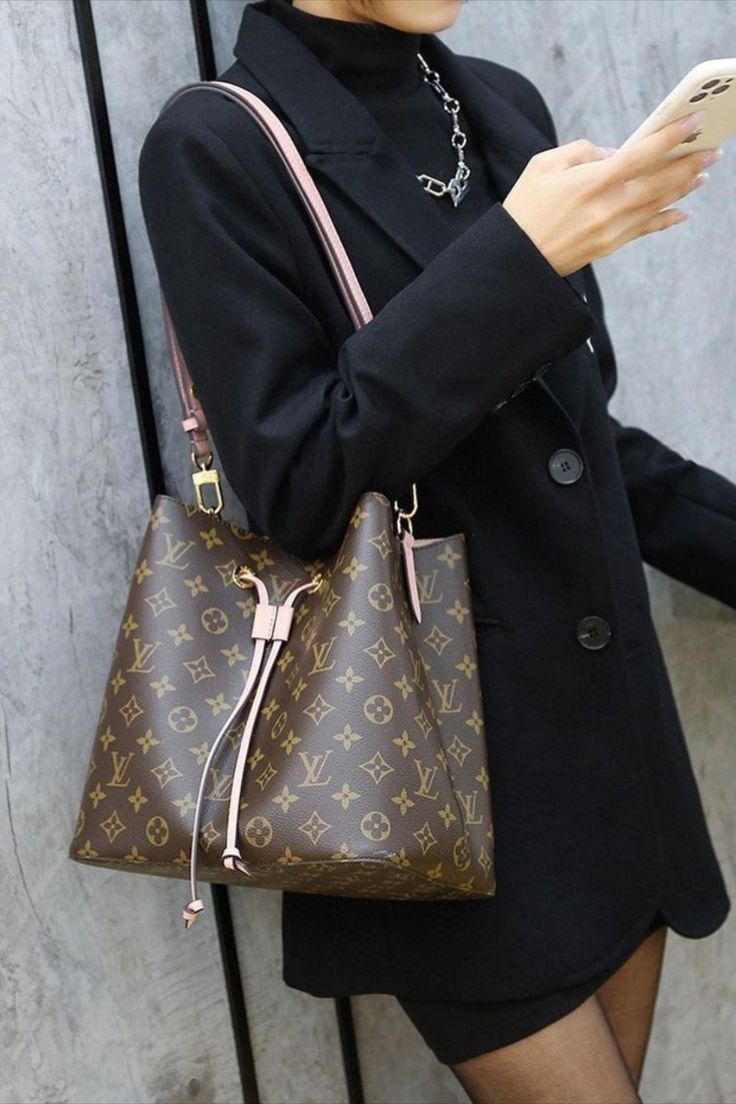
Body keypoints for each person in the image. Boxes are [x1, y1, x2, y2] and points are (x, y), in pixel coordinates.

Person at [137, 1, 735, 1100]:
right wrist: (520, 257)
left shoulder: (500, 105)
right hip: (434, 767)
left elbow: (577, 443)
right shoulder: (219, 143)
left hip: (607, 753)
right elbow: (299, 480)